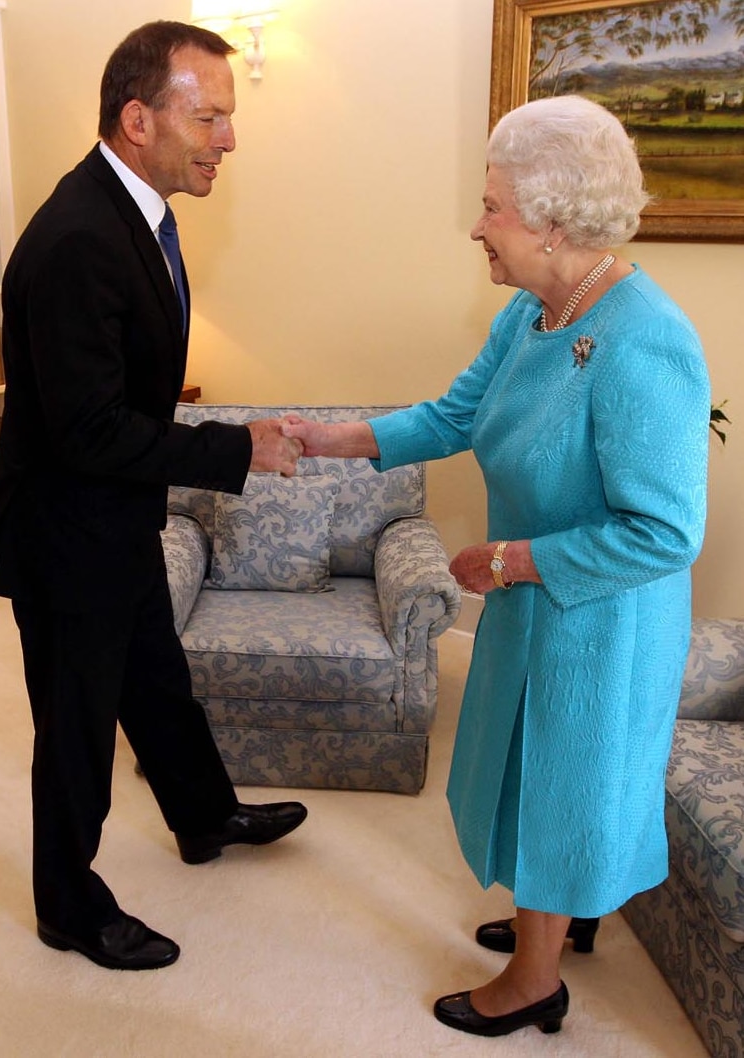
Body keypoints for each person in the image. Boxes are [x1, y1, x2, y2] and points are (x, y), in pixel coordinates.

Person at [282, 95, 710, 1037]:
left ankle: (534, 979)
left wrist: (512, 558)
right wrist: (332, 437)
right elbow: (450, 416)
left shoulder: (648, 341)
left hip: (602, 612)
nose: (475, 226)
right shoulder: (533, 311)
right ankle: (556, 923)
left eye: (491, 206)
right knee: (525, 767)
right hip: (531, 594)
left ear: (554, 222)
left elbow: (666, 532)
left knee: (570, 778)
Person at [0, 21, 308, 972]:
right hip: (63, 531)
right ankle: (67, 905)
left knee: (156, 677)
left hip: (112, 516)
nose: (227, 140)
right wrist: (236, 447)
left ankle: (203, 814)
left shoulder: (139, 212)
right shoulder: (79, 237)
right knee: (76, 728)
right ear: (136, 118)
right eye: (209, 117)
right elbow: (88, 430)